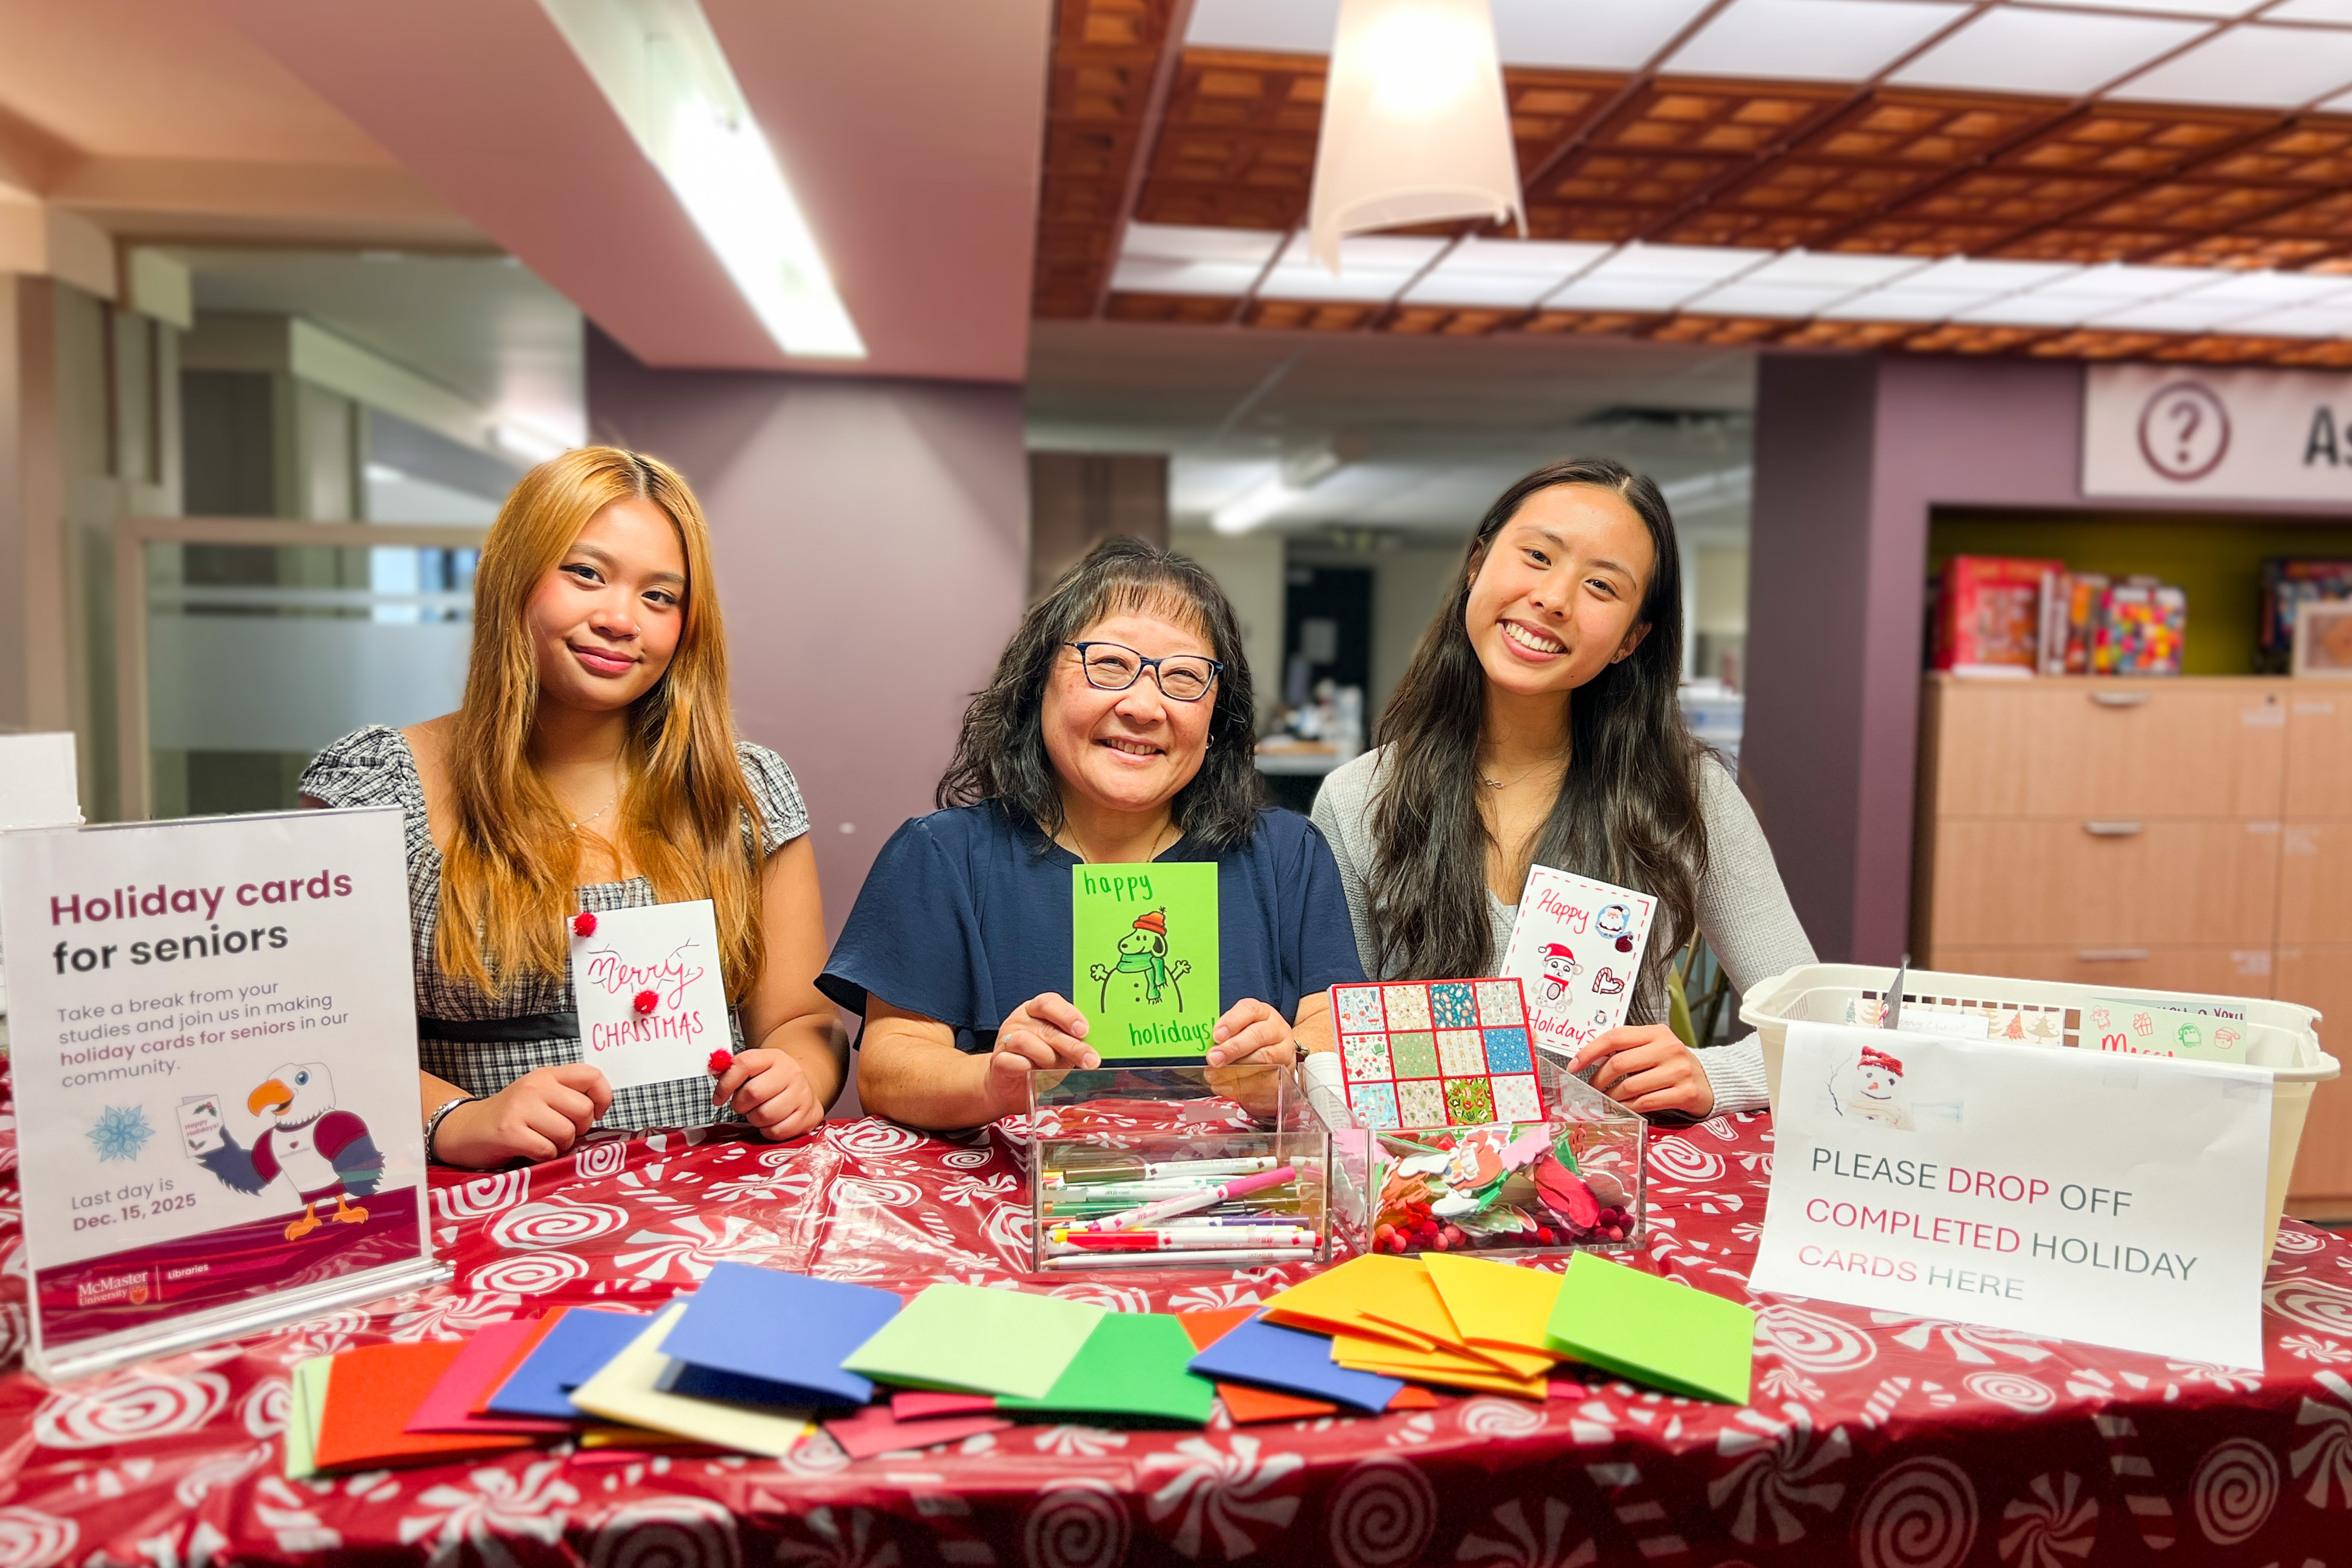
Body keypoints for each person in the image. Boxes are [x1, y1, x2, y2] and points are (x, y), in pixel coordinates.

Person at [300, 446, 847, 1167]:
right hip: (475, 1212)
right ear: (513, 578)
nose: (622, 619)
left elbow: (802, 1021)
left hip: (710, 1203)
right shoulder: (373, 789)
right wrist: (458, 1120)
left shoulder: (743, 792)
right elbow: (314, 1043)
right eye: (586, 573)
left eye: (660, 597)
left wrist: (799, 1073)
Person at [1312, 457, 1813, 1119]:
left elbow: (1817, 1038)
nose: (1553, 597)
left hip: (1620, 1190)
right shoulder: (1358, 797)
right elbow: (1329, 1045)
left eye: (1602, 586)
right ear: (1477, 563)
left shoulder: (1688, 795)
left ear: (1630, 640)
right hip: (1420, 1189)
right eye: (1537, 556)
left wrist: (1711, 1073)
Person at [827, 538, 1365, 1133]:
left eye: (1183, 678)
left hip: (1236, 1204)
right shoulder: (943, 857)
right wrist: (992, 1081)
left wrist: (1288, 1063)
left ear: (1218, 718)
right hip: (1009, 1211)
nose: (1143, 705)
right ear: (1038, 684)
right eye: (1109, 664)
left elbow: (1332, 1029)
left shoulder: (1287, 856)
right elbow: (888, 1066)